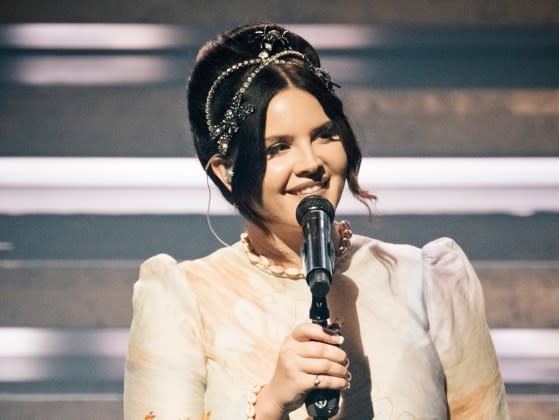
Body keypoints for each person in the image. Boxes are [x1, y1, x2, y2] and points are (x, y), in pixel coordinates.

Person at [124, 23, 510, 419]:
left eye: (324, 135)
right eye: (278, 148)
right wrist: (270, 402)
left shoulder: (428, 281)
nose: (311, 163)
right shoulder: (184, 300)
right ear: (225, 170)